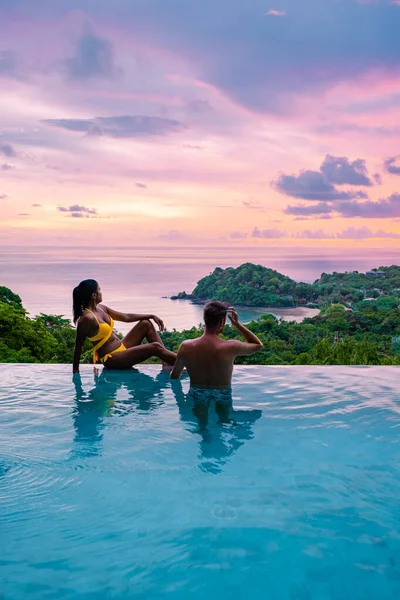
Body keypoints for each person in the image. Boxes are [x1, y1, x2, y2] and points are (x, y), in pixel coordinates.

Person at [72, 279, 176, 373]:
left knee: (146, 323)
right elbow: (78, 345)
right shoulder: (87, 318)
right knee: (155, 347)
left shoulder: (101, 308)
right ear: (93, 295)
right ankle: (186, 361)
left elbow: (126, 317)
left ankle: (167, 361)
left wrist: (151, 316)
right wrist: (75, 370)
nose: (101, 293)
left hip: (122, 348)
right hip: (112, 359)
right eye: (99, 290)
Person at [170, 301, 263, 401]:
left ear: (204, 319)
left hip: (197, 395)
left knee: (198, 415)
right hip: (222, 395)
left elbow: (174, 376)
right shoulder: (230, 347)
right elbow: (258, 345)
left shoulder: (186, 346)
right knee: (223, 416)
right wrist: (237, 324)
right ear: (222, 322)